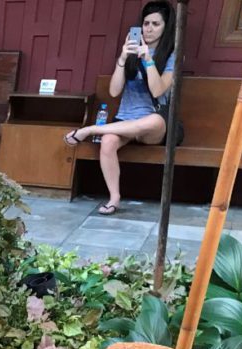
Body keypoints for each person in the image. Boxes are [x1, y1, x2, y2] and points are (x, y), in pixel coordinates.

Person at [63, 1, 177, 216]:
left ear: (166, 27)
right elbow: (115, 91)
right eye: (145, 23)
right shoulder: (130, 53)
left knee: (153, 121)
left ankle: (91, 130)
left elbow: (157, 90)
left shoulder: (171, 56)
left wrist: (149, 60)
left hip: (153, 125)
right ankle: (114, 198)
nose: (149, 29)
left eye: (155, 24)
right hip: (125, 119)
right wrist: (123, 58)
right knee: (108, 142)